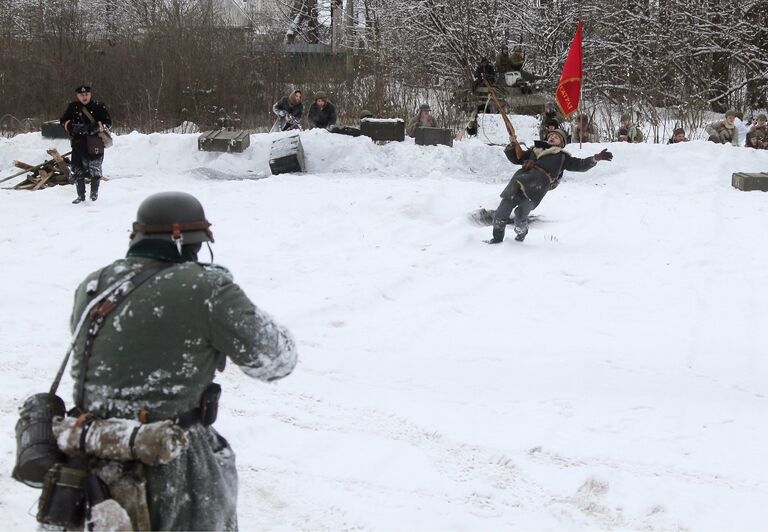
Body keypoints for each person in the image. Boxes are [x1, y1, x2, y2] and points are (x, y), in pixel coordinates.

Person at [67, 191, 298, 529]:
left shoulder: (95, 283)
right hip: (170, 461)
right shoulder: (206, 288)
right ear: (191, 243)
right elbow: (276, 359)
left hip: (89, 452)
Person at [487, 129, 612, 244]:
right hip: (517, 183)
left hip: (535, 189)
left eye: (556, 137)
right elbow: (516, 158)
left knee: (520, 217)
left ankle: (521, 233)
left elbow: (580, 165)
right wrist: (513, 144)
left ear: (561, 143)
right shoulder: (534, 150)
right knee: (501, 212)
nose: (552, 137)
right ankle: (496, 240)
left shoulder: (562, 157)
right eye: (551, 135)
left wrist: (596, 158)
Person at [60, 84, 112, 204]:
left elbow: (108, 123)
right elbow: (63, 121)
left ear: (90, 94)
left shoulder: (99, 106)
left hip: (95, 142)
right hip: (78, 143)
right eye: (81, 95)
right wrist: (72, 127)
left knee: (95, 170)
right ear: (77, 96)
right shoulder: (73, 107)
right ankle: (81, 196)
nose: (84, 97)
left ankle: (94, 195)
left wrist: (94, 128)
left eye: (86, 94)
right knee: (78, 170)